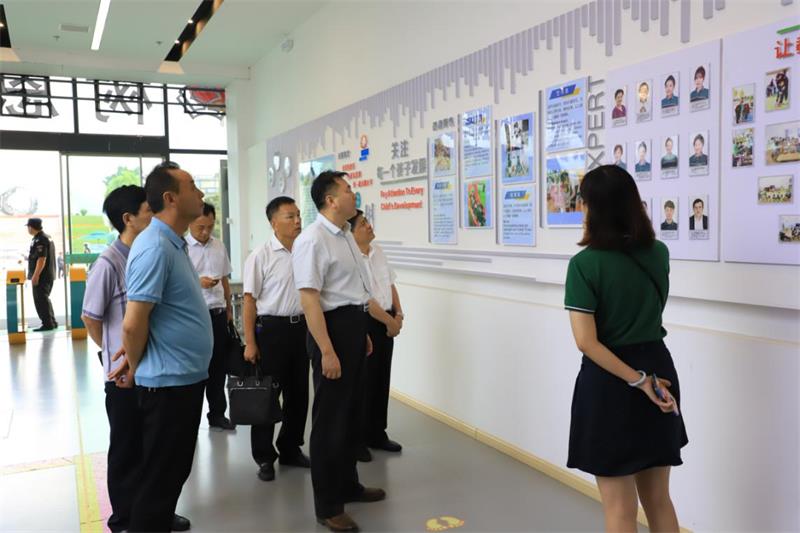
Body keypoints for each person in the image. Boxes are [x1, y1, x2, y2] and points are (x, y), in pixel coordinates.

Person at [565, 164, 687, 532]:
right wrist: (647, 380)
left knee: (619, 509)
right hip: (659, 372)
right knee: (659, 499)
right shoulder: (658, 253)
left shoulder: (584, 265)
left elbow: (586, 341)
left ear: (593, 208)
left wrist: (637, 380)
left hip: (610, 382)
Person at [80, 186, 191, 533]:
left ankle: (155, 512)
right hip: (123, 376)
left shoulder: (152, 252)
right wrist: (115, 353)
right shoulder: (108, 263)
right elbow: (90, 318)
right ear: (128, 219)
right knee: (127, 449)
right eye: (148, 210)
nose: (155, 214)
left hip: (153, 372)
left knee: (154, 449)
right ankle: (125, 519)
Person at [108, 161, 211, 532]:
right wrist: (136, 366)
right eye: (192, 186)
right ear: (171, 198)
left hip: (182, 379)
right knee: (159, 481)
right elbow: (134, 321)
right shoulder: (154, 246)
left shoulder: (172, 242)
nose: (200, 193)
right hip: (168, 385)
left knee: (169, 476)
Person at [292, 170, 385, 532]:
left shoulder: (345, 233)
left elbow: (351, 290)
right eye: (348, 190)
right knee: (330, 422)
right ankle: (328, 505)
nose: (353, 194)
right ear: (331, 200)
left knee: (350, 416)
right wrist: (328, 350)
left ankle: (348, 485)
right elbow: (310, 299)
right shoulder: (312, 240)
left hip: (352, 327)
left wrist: (360, 333)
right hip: (330, 331)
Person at [242, 196, 311, 482]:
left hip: (301, 329)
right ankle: (264, 457)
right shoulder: (261, 255)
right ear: (274, 222)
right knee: (267, 396)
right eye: (289, 216)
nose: (297, 221)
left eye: (298, 215)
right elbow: (249, 301)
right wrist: (250, 342)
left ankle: (290, 448)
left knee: (299, 394)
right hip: (272, 331)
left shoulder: (306, 251)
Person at [347, 209, 404, 463]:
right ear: (351, 233)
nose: (369, 226)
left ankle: (377, 433)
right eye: (363, 224)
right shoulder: (351, 259)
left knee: (382, 378)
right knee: (363, 383)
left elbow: (390, 284)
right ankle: (358, 439)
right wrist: (390, 321)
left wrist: (398, 314)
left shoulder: (378, 251)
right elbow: (365, 299)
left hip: (388, 319)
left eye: (367, 222)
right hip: (368, 322)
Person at [187, 202, 236, 432]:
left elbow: (224, 279)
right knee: (196, 368)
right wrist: (199, 282)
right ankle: (190, 418)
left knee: (218, 366)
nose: (206, 232)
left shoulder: (219, 246)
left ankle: (217, 414)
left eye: (210, 226)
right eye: (201, 227)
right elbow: (179, 281)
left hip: (218, 314)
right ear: (190, 223)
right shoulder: (182, 248)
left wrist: (229, 309)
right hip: (195, 317)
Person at [26, 217, 57, 331]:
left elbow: (41, 259)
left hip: (42, 276)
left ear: (31, 227)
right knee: (44, 299)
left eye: (28, 227)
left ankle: (48, 324)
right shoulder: (46, 237)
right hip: (47, 275)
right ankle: (52, 322)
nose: (28, 229)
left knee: (40, 300)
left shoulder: (40, 239)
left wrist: (36, 275)